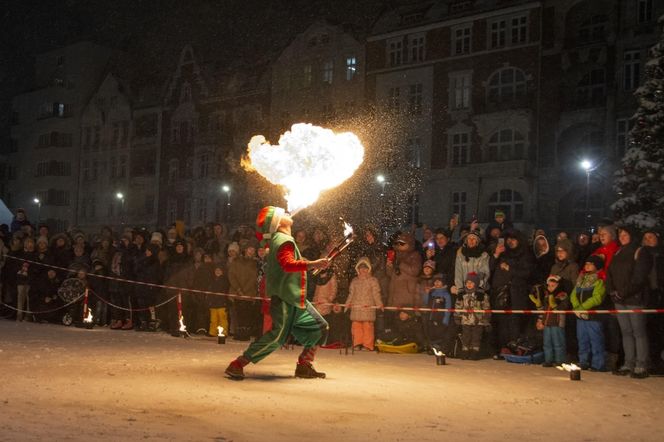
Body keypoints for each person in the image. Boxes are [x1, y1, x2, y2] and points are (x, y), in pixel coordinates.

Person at [225, 206, 330, 380]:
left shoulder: (282, 239)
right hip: (285, 298)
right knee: (278, 337)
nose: (288, 213)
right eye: (283, 214)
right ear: (277, 222)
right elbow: (288, 265)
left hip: (296, 298)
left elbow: (288, 262)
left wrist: (307, 262)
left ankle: (304, 365)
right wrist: (314, 264)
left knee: (319, 327)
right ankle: (238, 364)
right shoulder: (283, 240)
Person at [607, 226, 653, 379]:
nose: (622, 236)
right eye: (620, 234)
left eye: (626, 234)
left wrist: (623, 292)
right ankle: (629, 363)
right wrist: (612, 291)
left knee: (638, 332)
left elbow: (639, 277)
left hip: (635, 298)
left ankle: (641, 364)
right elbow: (610, 273)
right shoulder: (618, 252)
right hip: (619, 299)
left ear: (632, 235)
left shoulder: (640, 251)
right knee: (626, 332)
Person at [571, 255, 607, 371]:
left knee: (595, 340)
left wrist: (582, 307)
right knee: (582, 339)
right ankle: (583, 361)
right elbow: (573, 294)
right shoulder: (581, 279)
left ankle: (598, 364)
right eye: (586, 263)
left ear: (597, 266)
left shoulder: (599, 280)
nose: (587, 265)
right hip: (580, 315)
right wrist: (577, 308)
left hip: (593, 316)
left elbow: (597, 298)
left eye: (590, 264)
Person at [529, 275, 569, 366]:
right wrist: (539, 307)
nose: (550, 288)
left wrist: (555, 305)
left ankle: (559, 361)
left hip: (557, 323)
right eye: (549, 285)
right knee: (547, 343)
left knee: (558, 343)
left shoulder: (562, 295)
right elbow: (544, 310)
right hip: (547, 323)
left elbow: (564, 307)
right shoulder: (547, 296)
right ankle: (548, 360)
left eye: (553, 285)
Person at [345, 257, 383, 351]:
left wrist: (379, 303)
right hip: (356, 309)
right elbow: (351, 294)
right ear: (357, 269)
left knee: (368, 327)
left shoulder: (373, 280)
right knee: (356, 326)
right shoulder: (355, 281)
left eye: (365, 267)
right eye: (361, 267)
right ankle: (357, 343)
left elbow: (376, 293)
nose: (363, 270)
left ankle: (367, 345)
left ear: (369, 268)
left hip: (368, 308)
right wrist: (347, 304)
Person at [424, 273, 456, 355]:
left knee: (440, 334)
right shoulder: (432, 293)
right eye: (435, 281)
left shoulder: (446, 295)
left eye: (439, 281)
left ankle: (440, 349)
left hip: (440, 319)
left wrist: (445, 319)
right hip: (431, 318)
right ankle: (433, 348)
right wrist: (427, 293)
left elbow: (448, 308)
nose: (437, 283)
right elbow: (426, 302)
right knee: (432, 334)